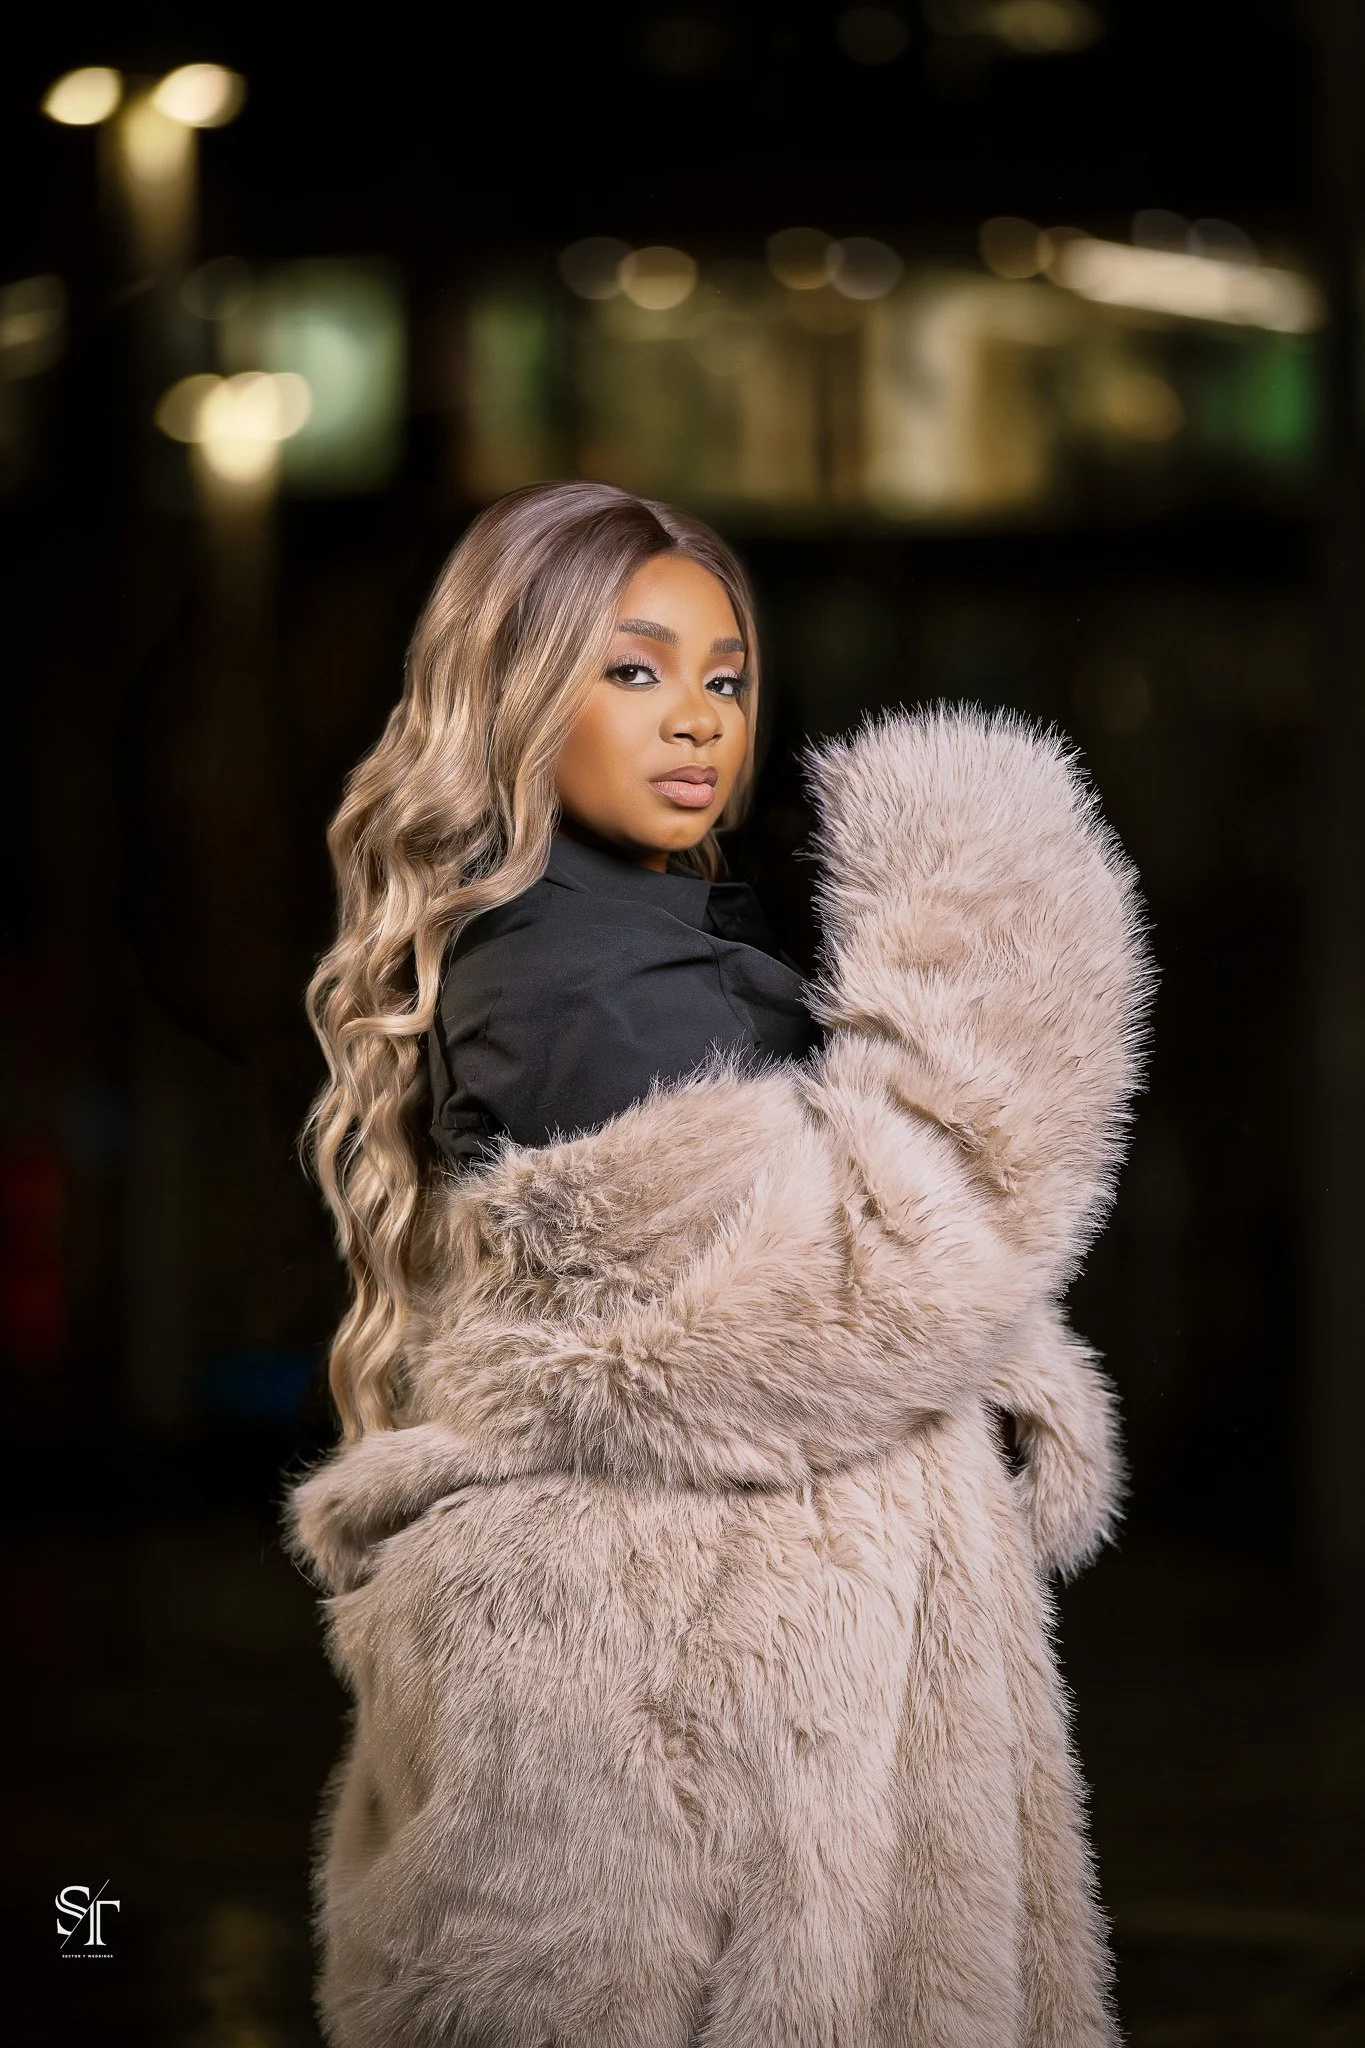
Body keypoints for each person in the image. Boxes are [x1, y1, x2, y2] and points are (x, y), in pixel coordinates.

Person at [286, 480, 1156, 2048]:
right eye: (633, 670)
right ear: (516, 695)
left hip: (698, 1685)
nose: (695, 720)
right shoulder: (591, 988)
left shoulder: (641, 945)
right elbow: (868, 1298)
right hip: (664, 1713)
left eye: (725, 676)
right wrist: (1006, 899)